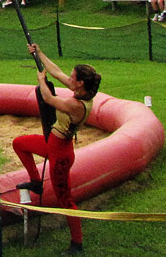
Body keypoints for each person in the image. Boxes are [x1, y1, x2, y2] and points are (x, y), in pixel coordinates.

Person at [13, 43, 102, 255]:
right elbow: (57, 71)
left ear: (80, 83)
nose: (69, 79)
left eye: (73, 78)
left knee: (66, 201)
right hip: (51, 144)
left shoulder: (77, 105)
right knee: (20, 144)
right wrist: (39, 52)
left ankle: (77, 244)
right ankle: (36, 182)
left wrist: (41, 82)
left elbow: (49, 99)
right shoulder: (80, 91)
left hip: (61, 154)